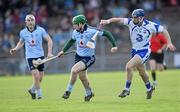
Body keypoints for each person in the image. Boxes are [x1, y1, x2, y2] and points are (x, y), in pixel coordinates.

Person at [100, 9, 176, 99]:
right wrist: (107, 21)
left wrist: (169, 43)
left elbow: (164, 30)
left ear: (140, 18)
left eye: (135, 17)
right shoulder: (131, 22)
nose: (133, 19)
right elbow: (118, 19)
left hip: (144, 51)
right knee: (142, 73)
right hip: (135, 51)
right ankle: (149, 89)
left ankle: (127, 89)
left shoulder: (150, 25)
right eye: (132, 17)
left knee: (129, 66)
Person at [58, 14, 118, 102]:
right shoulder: (75, 32)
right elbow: (71, 41)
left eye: (75, 24)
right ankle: (89, 93)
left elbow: (107, 33)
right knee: (82, 77)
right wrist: (63, 51)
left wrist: (114, 46)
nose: (73, 25)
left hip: (89, 58)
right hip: (78, 56)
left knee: (74, 70)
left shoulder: (92, 31)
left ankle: (68, 91)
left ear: (81, 24)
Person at [10, 14, 53, 99]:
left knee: (40, 78)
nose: (30, 22)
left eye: (32, 20)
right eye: (28, 21)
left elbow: (49, 40)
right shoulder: (22, 32)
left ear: (35, 21)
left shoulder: (41, 30)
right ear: (25, 22)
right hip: (30, 57)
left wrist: (49, 52)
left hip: (40, 56)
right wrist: (15, 48)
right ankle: (39, 96)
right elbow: (21, 42)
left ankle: (32, 90)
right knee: (36, 76)